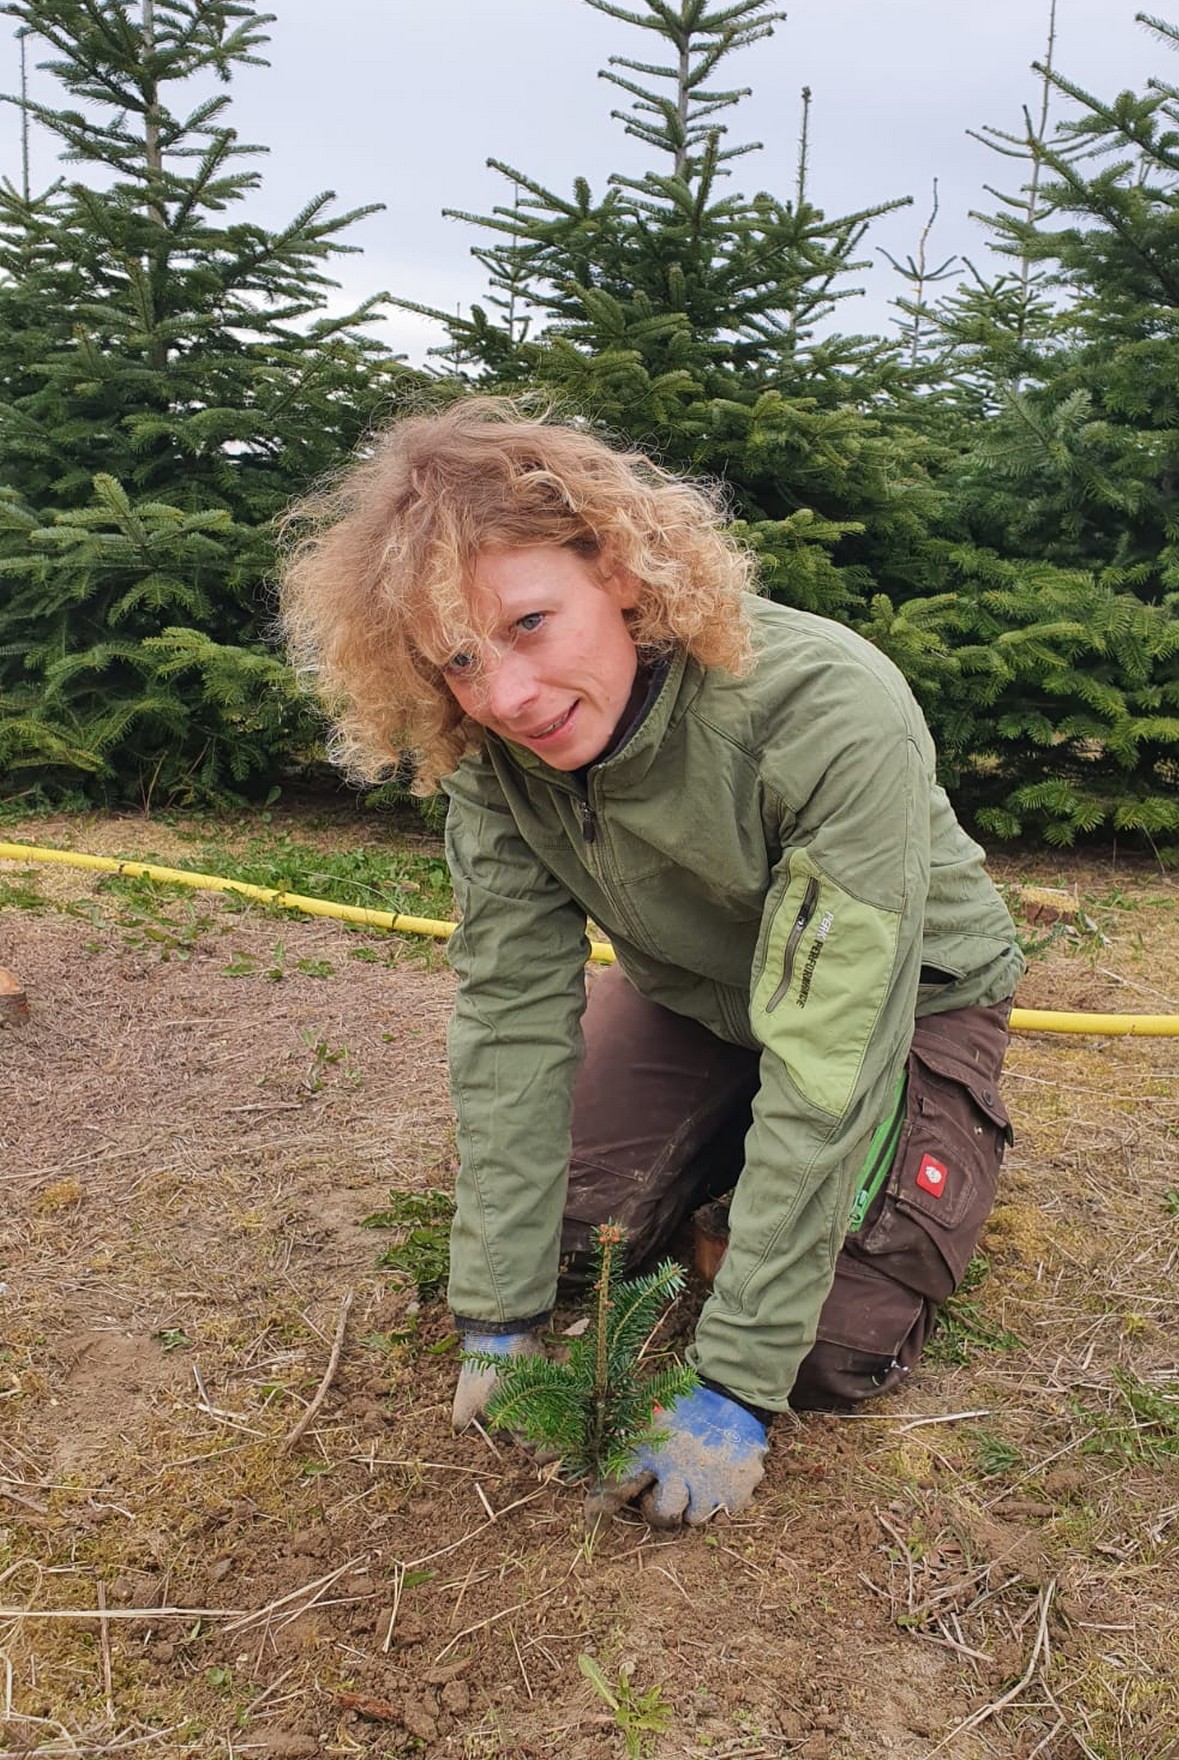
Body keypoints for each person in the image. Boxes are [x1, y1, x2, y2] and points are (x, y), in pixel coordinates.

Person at [280, 400, 1024, 1527]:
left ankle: (926, 1143)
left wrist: (734, 1383)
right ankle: (734, 1155)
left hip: (902, 1004)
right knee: (579, 1240)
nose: (507, 697)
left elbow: (828, 1050)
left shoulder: (826, 707)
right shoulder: (493, 756)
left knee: (828, 1349)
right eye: (462, 661)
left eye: (530, 623)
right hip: (696, 999)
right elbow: (511, 1015)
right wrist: (498, 1308)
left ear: (618, 570)